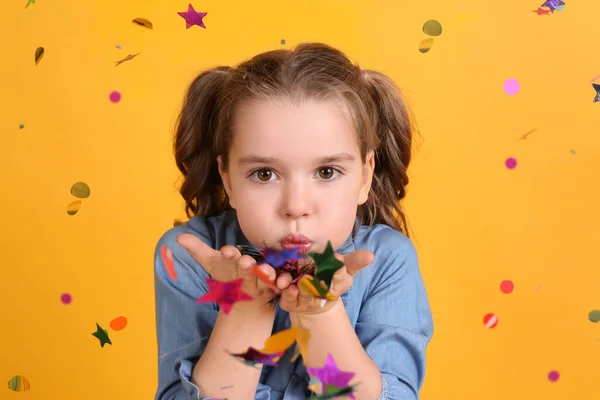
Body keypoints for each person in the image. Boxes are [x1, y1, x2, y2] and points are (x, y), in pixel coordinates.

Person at [154, 42, 434, 400]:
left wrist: (319, 314)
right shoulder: (189, 257)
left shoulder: (386, 261)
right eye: (265, 174)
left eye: (327, 171)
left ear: (364, 176)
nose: (295, 206)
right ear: (227, 178)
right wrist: (243, 308)